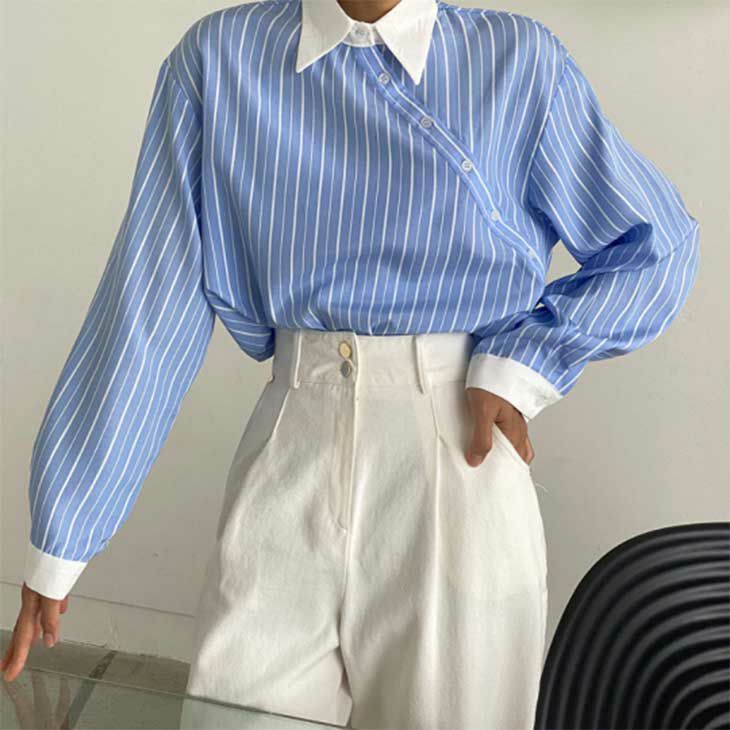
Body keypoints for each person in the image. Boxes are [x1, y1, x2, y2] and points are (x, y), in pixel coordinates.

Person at [3, 0, 700, 727]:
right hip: (292, 440)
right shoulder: (220, 60)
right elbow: (150, 304)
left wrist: (521, 365)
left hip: (455, 457)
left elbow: (657, 245)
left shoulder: (516, 61)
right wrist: (64, 534)